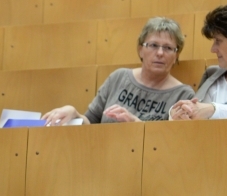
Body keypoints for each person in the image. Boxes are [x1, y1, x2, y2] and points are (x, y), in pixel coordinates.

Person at [43, 17, 195, 125]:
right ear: (141, 50)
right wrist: (74, 113)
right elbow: (91, 122)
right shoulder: (118, 78)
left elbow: (174, 144)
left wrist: (135, 123)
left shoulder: (183, 96)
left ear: (176, 56)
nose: (160, 53)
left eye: (168, 48)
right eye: (153, 45)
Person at [170, 4, 227, 121]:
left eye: (218, 41)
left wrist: (214, 110)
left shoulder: (213, 108)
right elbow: (198, 114)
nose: (213, 49)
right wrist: (180, 113)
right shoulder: (213, 80)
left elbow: (208, 110)